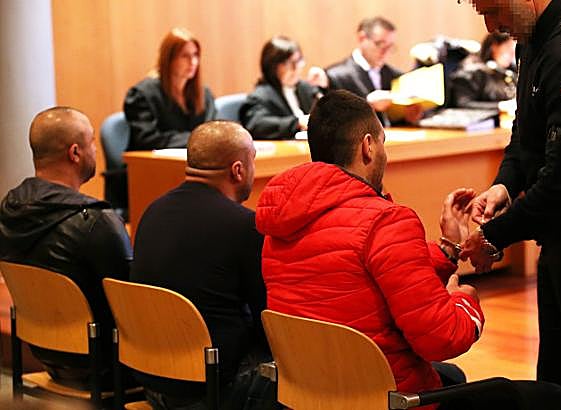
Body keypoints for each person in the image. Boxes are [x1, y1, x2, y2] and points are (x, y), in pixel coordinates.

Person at [256, 90, 483, 398]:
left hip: (311, 393)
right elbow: (442, 338)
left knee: (451, 376)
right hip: (386, 396)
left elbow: (375, 276)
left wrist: (447, 249)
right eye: (383, 143)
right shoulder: (385, 221)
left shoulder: (279, 225)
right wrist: (465, 301)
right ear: (368, 146)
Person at [461, 1, 561, 409]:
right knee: (556, 380)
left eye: (495, 10)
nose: (492, 25)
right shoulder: (533, 40)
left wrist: (494, 236)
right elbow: (526, 133)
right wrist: (504, 185)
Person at [130, 121, 273, 410]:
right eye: (253, 160)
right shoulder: (243, 225)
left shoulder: (152, 211)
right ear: (238, 170)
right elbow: (267, 319)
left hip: (151, 379)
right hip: (213, 391)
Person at [0, 107, 132, 388]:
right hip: (104, 365)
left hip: (44, 351)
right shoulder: (95, 222)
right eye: (92, 141)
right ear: (75, 153)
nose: (95, 149)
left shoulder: (9, 210)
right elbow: (130, 303)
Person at [307, 17, 420, 125]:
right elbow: (329, 120)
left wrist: (409, 116)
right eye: (380, 44)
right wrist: (368, 104)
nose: (385, 52)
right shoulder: (335, 76)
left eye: (389, 46)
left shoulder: (396, 76)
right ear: (362, 38)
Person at [124, 27, 217, 150]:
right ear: (169, 59)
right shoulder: (142, 95)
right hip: (152, 160)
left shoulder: (204, 94)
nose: (193, 62)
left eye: (195, 55)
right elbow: (147, 139)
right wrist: (196, 139)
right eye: (185, 56)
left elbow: (211, 130)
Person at [240, 36, 320, 140]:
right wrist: (297, 123)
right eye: (288, 63)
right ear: (272, 66)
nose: (296, 68)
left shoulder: (305, 88)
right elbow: (256, 124)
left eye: (298, 61)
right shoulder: (260, 96)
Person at [450, 30, 517, 110]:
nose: (512, 54)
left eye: (514, 49)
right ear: (494, 46)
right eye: (508, 48)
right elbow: (462, 103)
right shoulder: (470, 72)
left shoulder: (510, 71)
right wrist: (500, 106)